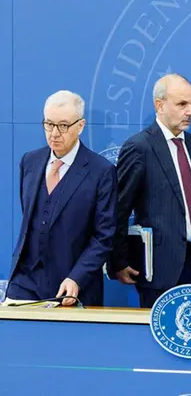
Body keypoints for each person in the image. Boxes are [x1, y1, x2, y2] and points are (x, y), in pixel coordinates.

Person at [109, 73, 191, 308]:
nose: (190, 111)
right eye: (182, 104)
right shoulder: (139, 147)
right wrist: (118, 261)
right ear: (159, 105)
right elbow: (119, 209)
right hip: (159, 270)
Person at [6, 91, 117, 306]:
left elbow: (104, 236)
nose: (54, 133)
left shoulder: (101, 171)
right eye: (49, 124)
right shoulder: (30, 162)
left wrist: (77, 277)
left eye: (63, 125)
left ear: (81, 126)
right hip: (24, 282)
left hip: (73, 285)